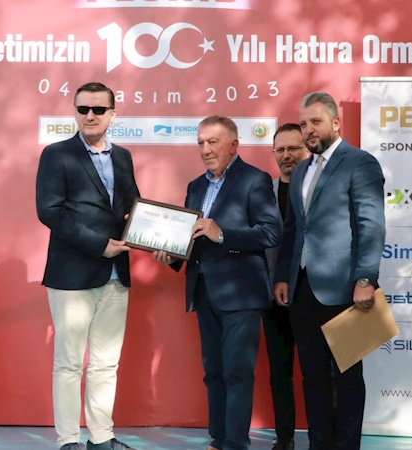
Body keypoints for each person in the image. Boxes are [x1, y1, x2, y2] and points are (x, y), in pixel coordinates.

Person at [153, 115, 281, 450]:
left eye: (213, 142)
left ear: (234, 146)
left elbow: (270, 232)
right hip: (204, 291)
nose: (206, 149)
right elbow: (189, 238)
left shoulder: (255, 180)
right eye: (201, 143)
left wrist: (222, 234)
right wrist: (171, 255)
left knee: (237, 372)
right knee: (214, 371)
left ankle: (236, 443)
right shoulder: (196, 186)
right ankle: (219, 438)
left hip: (241, 294)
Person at [274, 92, 386, 450]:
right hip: (302, 288)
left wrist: (365, 279)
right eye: (303, 124)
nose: (308, 129)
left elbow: (371, 225)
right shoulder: (301, 171)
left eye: (315, 122)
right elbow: (293, 227)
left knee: (347, 376)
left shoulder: (360, 163)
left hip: (347, 289)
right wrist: (282, 275)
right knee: (313, 377)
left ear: (336, 123)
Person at [35, 82, 140, 450]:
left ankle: (102, 437)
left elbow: (134, 208)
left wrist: (159, 239)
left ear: (113, 114)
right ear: (75, 112)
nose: (90, 116)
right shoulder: (56, 154)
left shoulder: (123, 157)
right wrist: (99, 245)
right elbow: (49, 211)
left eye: (98, 109)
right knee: (68, 363)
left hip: (116, 276)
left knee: (106, 363)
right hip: (72, 275)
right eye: (83, 109)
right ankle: (68, 440)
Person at [263, 123, 311, 450]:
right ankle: (284, 438)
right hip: (272, 296)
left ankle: (323, 438)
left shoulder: (317, 190)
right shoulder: (263, 191)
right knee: (279, 371)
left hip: (312, 293)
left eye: (293, 148)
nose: (286, 155)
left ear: (307, 149)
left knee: (316, 370)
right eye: (280, 150)